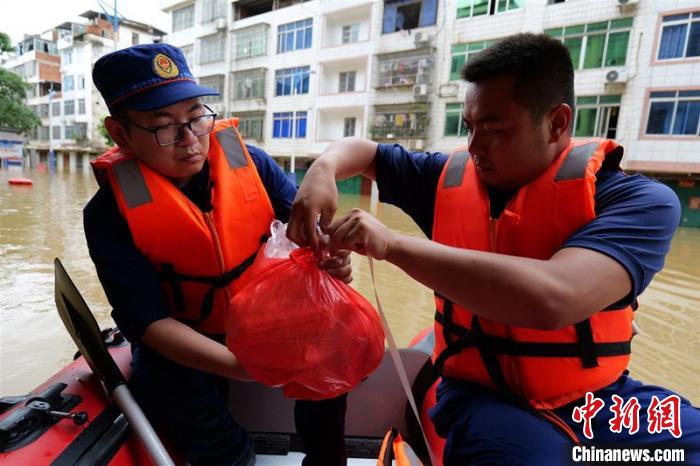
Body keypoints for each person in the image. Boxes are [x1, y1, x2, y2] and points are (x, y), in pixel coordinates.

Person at [288, 33, 700, 465]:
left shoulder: (638, 202)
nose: (474, 147)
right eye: (470, 127)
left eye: (494, 130)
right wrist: (324, 167)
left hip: (599, 400)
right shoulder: (448, 180)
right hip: (485, 396)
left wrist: (391, 244)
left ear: (557, 123)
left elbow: (553, 298)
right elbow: (363, 152)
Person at [85, 43, 350, 466]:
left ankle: (325, 459)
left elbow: (304, 237)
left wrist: (332, 258)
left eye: (196, 118)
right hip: (183, 336)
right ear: (119, 133)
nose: (189, 140)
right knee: (177, 397)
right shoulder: (108, 215)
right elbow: (148, 322)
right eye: (164, 127)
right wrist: (238, 365)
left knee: (332, 346)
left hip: (262, 315)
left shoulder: (253, 166)